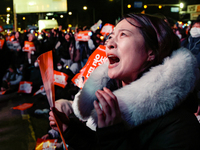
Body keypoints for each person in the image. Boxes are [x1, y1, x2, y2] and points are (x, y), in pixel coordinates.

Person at [48, 13, 200, 149]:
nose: (109, 44)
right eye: (110, 37)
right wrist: (70, 130)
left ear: (151, 52)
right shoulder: (108, 96)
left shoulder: (180, 126)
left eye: (123, 35)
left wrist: (112, 136)